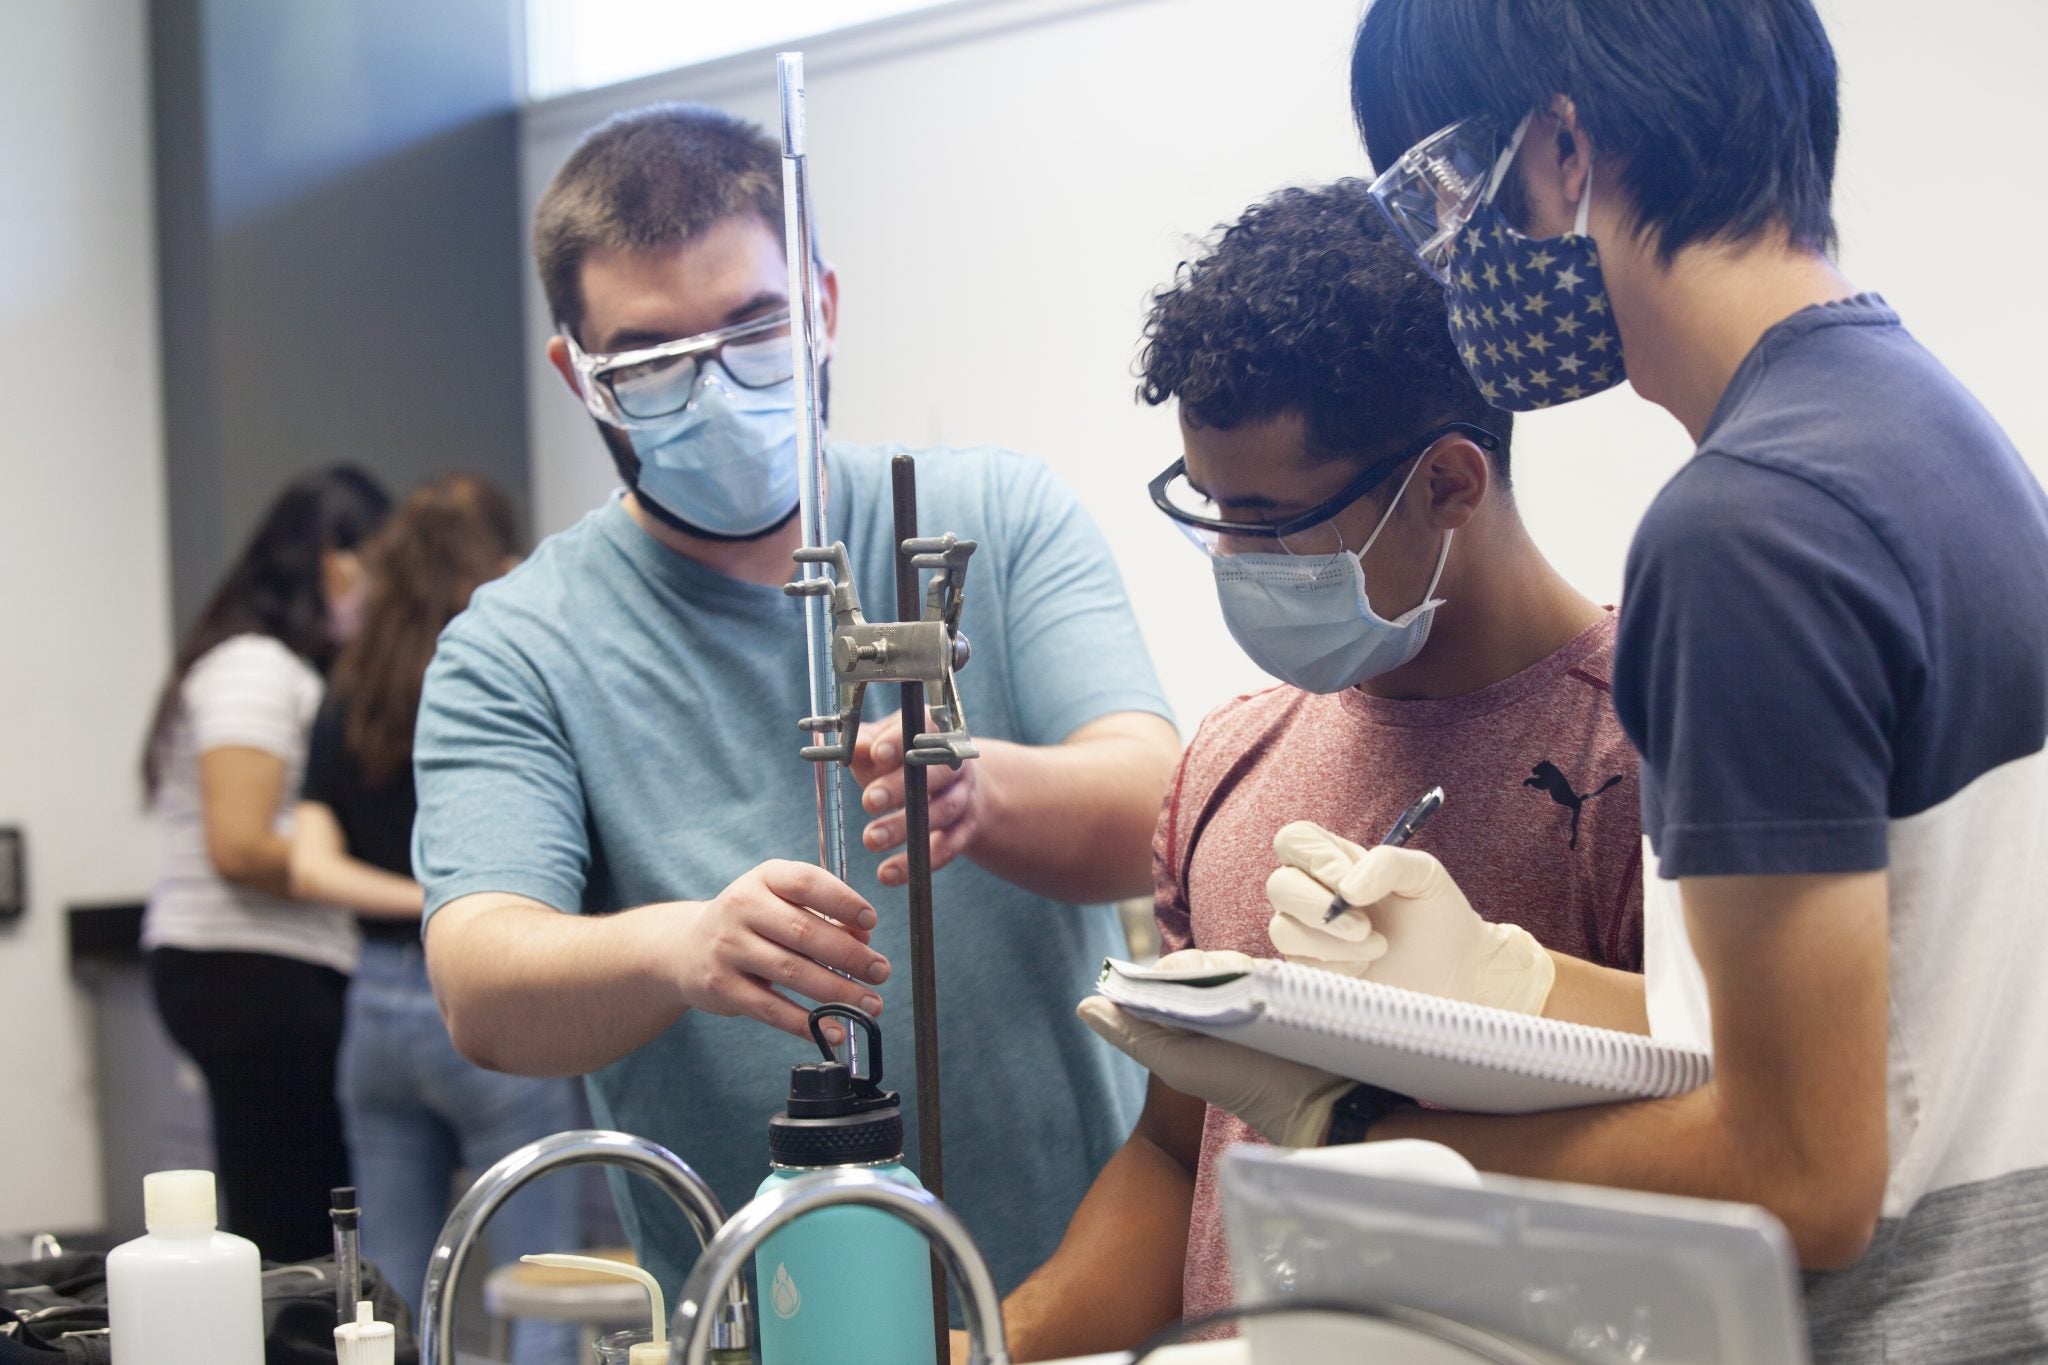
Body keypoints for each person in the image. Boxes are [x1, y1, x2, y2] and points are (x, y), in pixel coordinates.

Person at [1091, 1, 2048, 1358]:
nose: (1442, 258)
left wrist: (1372, 1140)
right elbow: (1846, 1035)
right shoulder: (1934, 442)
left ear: (1555, 154)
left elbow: (1804, 1178)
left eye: (1432, 194)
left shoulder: (1744, 532)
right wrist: (1502, 977)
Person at [413, 102, 1180, 1300]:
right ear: (576, 374)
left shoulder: (992, 515)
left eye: (755, 329)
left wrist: (987, 793)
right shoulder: (518, 646)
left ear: (819, 305)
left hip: (1090, 1292)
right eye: (652, 360)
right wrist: (683, 946)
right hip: (768, 1310)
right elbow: (480, 983)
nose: (715, 392)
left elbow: (1152, 801)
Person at [988, 182, 1646, 1360]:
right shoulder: (1231, 763)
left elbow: (1739, 1153)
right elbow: (1175, 1160)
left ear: (1448, 481)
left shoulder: (1634, 756)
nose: (1231, 558)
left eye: (1270, 518)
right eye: (1208, 508)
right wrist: (992, 1347)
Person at [288, 474, 578, 1359]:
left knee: (388, 1300)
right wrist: (467, 905)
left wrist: (422, 901)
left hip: (373, 1012)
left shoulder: (354, 688)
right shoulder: (501, 679)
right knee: (545, 1286)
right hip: (491, 1005)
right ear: (498, 566)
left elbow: (308, 863)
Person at [140, 464, 392, 1261]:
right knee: (290, 1232)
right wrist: (383, 879)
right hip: (250, 971)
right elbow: (240, 843)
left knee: (293, 1213)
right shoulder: (255, 667)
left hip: (254, 970)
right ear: (329, 555)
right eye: (376, 566)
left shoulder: (271, 667)